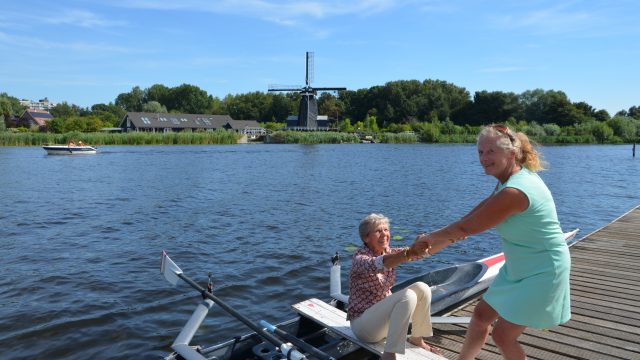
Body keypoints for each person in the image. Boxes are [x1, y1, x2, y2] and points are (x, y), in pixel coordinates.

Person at [414, 124, 571, 360]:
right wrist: (439, 240)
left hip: (543, 270)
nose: (484, 158)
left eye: (491, 152)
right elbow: (474, 215)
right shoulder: (510, 178)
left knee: (503, 336)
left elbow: (467, 227)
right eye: (480, 152)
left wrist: (431, 238)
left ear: (510, 153)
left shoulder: (516, 191)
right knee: (480, 317)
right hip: (520, 266)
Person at [347, 213, 442, 360]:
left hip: (383, 322)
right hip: (363, 326)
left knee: (422, 287)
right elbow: (379, 264)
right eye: (378, 231)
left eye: (386, 230)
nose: (384, 234)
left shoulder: (389, 252)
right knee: (407, 295)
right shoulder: (360, 258)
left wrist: (449, 238)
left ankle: (417, 339)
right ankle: (389, 355)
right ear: (366, 238)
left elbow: (422, 253)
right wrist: (409, 252)